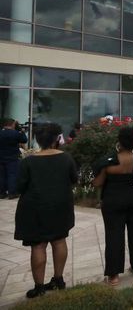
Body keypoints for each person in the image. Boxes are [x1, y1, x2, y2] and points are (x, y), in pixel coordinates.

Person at [14, 123, 77, 298]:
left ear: (38, 140)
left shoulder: (28, 162)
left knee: (38, 245)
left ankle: (39, 287)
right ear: (57, 139)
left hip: (34, 208)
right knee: (59, 241)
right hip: (61, 206)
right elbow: (74, 179)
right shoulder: (67, 158)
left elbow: (19, 186)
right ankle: (58, 280)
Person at [92, 127, 133, 286]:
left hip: (114, 201)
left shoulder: (110, 161)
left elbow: (98, 183)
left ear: (120, 141)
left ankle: (114, 276)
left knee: (114, 236)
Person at [0, 118, 28, 199]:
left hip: (1, 158)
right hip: (12, 158)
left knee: (1, 176)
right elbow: (24, 140)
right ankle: (12, 193)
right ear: (12, 124)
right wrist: (21, 130)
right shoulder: (15, 133)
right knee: (12, 175)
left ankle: (2, 193)